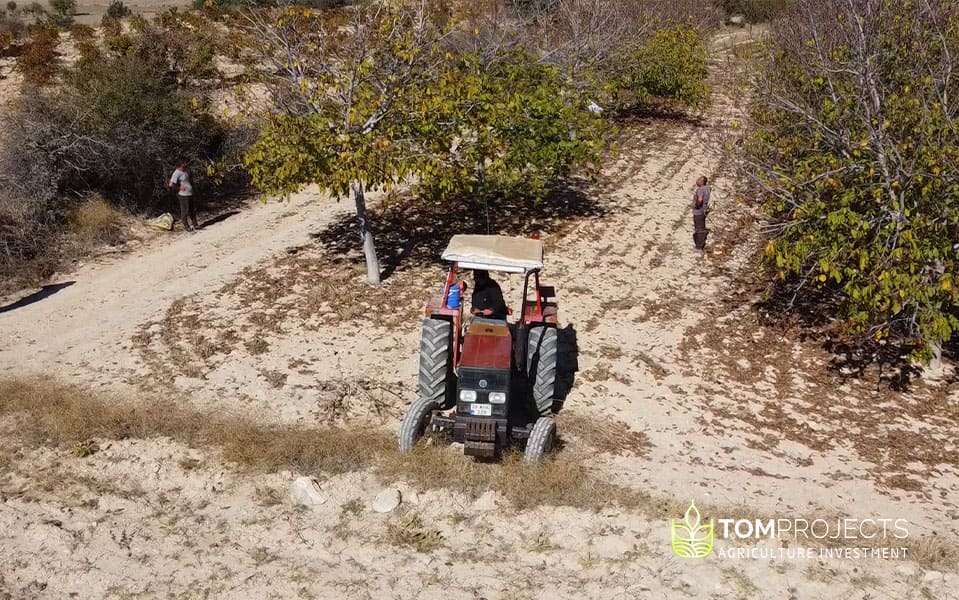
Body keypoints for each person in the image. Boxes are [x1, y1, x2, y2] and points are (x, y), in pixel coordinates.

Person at [168, 161, 199, 232]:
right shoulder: (176, 173)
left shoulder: (186, 171)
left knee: (192, 209)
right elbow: (171, 184)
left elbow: (190, 180)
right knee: (185, 210)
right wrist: (179, 188)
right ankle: (186, 226)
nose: (186, 164)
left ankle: (195, 224)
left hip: (190, 193)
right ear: (181, 164)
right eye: (184, 163)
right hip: (183, 195)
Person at [692, 175, 711, 250]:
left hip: (699, 211)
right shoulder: (707, 188)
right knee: (702, 227)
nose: (697, 180)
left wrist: (697, 206)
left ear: (701, 181)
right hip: (704, 210)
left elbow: (700, 199)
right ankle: (702, 242)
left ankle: (699, 246)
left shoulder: (700, 189)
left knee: (699, 229)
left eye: (699, 179)